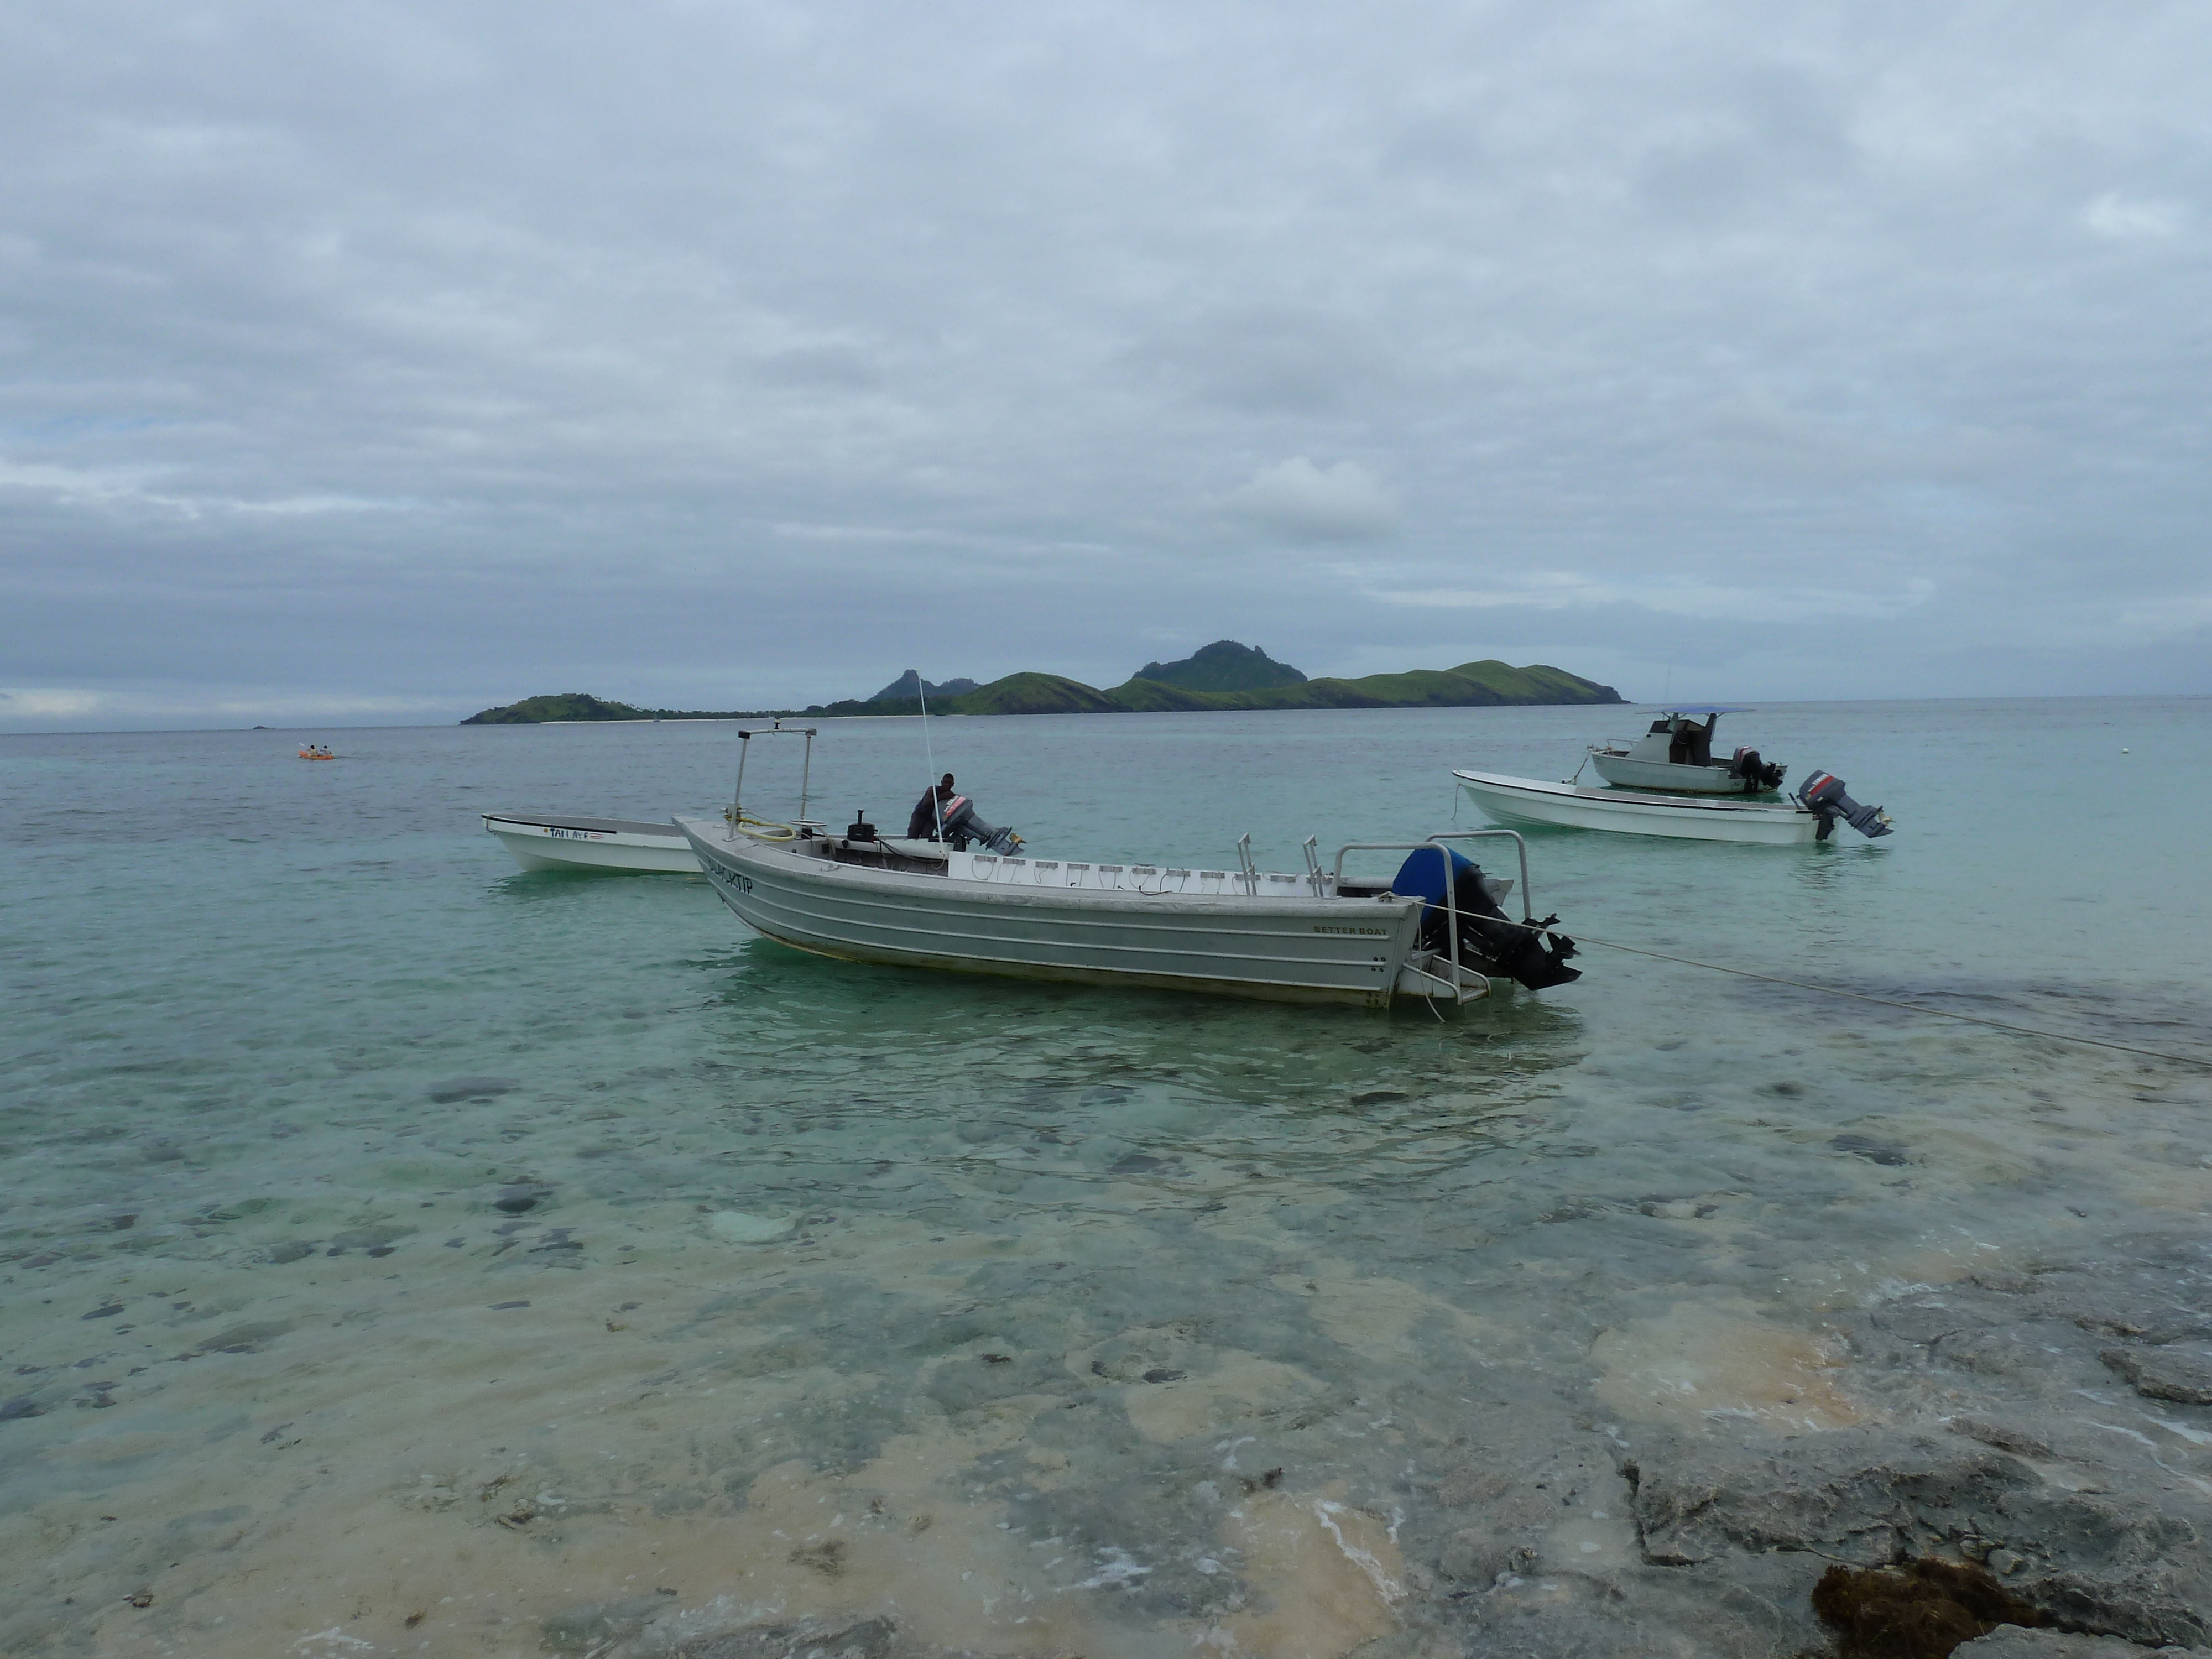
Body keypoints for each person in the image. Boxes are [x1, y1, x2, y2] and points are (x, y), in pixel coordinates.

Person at [907, 774, 956, 840]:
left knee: (926, 838)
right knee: (912, 835)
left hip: (932, 818)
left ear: (953, 785)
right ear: (942, 782)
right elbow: (926, 803)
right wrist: (942, 797)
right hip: (920, 814)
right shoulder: (933, 789)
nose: (947, 785)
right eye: (945, 782)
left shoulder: (951, 796)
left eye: (949, 783)